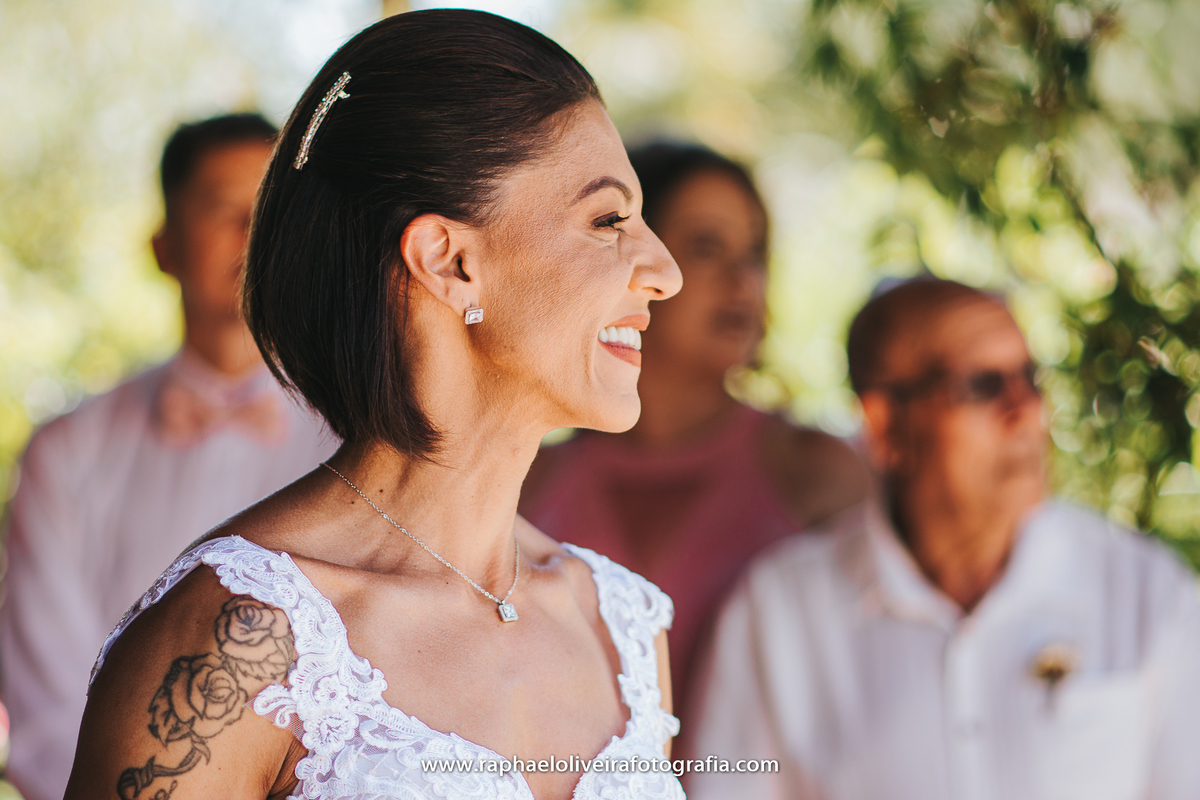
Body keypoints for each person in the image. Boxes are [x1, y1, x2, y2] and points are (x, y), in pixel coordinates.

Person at [67, 10, 685, 800]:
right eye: (609, 220)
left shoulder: (622, 630)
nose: (661, 269)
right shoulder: (241, 645)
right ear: (450, 261)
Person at [688, 277, 1200, 800]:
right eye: (983, 385)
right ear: (886, 426)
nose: (1026, 413)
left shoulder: (1148, 594)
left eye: (1031, 378)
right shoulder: (778, 614)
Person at [0, 114, 335, 800]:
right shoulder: (66, 454)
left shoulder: (353, 434)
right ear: (163, 246)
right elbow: (45, 695)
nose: (251, 235)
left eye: (268, 212)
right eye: (222, 210)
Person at [520, 141, 869, 748]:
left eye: (755, 252)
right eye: (707, 247)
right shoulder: (530, 481)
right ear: (634, 261)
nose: (742, 279)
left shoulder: (818, 474)